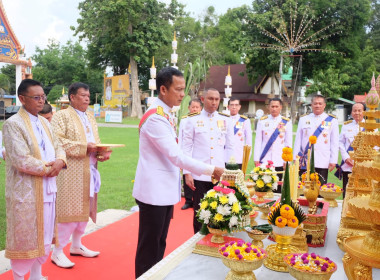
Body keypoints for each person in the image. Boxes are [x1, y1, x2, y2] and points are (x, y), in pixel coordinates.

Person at [133, 67, 224, 278]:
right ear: (163, 89)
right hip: (153, 191)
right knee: (149, 246)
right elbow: (177, 156)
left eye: (184, 89)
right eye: (179, 89)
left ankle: (154, 275)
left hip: (162, 190)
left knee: (159, 242)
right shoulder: (156, 118)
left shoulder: (165, 114)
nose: (183, 94)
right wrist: (212, 170)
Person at [3, 79, 66, 280]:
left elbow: (59, 145)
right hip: (27, 192)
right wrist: (50, 167)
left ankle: (37, 275)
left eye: (43, 97)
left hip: (48, 189)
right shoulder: (13, 124)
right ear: (22, 99)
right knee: (26, 237)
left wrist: (61, 160)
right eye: (36, 97)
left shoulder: (44, 122)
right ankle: (19, 277)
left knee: (45, 236)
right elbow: (20, 159)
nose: (41, 101)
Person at [50, 82, 111, 268]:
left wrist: (102, 152)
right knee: (68, 210)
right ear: (72, 97)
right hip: (70, 171)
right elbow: (57, 141)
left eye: (88, 95)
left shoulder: (90, 117)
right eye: (83, 95)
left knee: (86, 207)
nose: (87, 99)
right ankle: (57, 251)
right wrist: (85, 148)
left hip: (90, 169)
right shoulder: (61, 116)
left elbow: (96, 141)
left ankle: (76, 245)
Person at [182, 88, 234, 234]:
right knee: (200, 212)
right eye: (210, 99)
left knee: (220, 209)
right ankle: (198, 240)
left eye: (217, 99)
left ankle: (216, 238)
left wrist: (230, 171)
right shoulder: (192, 120)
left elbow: (230, 146)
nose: (214, 102)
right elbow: (186, 148)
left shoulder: (225, 119)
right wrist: (187, 173)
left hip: (220, 175)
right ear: (203, 99)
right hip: (199, 175)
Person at [293, 94, 339, 185]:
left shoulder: (332, 120)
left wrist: (333, 160)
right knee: (304, 188)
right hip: (305, 160)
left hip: (322, 160)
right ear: (311, 105)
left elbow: (334, 142)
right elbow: (298, 139)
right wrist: (295, 157)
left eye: (320, 103)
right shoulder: (303, 119)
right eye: (315, 103)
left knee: (320, 188)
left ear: (324, 105)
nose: (317, 105)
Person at [254, 98, 292, 189]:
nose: (274, 109)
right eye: (272, 106)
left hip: (279, 160)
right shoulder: (262, 121)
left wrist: (287, 160)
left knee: (278, 188)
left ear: (281, 107)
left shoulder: (286, 122)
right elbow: (258, 141)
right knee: (263, 187)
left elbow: (288, 143)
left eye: (276, 106)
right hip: (265, 159)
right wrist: (256, 158)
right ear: (269, 107)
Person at [336, 103, 365, 197]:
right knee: (347, 192)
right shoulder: (346, 126)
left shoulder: (371, 128)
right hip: (348, 165)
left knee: (362, 194)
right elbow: (340, 143)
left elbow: (376, 147)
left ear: (364, 112)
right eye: (354, 110)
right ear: (351, 112)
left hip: (364, 167)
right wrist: (346, 158)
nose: (357, 113)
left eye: (359, 110)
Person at [178, 98, 203, 210]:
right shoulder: (184, 120)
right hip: (186, 151)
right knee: (187, 175)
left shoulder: (203, 120)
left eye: (197, 107)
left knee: (198, 176)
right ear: (189, 108)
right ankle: (188, 200)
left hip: (198, 152)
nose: (195, 109)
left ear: (201, 108)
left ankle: (198, 200)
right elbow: (181, 138)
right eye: (193, 107)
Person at [226, 97, 252, 169]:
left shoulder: (244, 120)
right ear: (228, 107)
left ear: (239, 107)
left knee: (238, 179)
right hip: (225, 155)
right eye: (232, 105)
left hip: (239, 156)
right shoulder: (224, 119)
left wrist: (247, 156)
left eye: (236, 105)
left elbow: (249, 141)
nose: (234, 107)